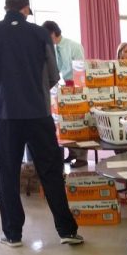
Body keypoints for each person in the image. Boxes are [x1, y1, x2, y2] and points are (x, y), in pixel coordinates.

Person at [0, 0, 84, 248]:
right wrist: (35, 85)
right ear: (26, 9)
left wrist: (4, 81)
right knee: (51, 171)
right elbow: (54, 74)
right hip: (38, 113)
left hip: (6, 115)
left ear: (6, 7)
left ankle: (13, 234)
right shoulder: (40, 33)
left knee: (8, 173)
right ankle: (66, 230)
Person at [43, 20, 86, 167]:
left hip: (75, 86)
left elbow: (81, 69)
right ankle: (71, 152)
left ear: (53, 33)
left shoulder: (73, 46)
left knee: (77, 121)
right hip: (59, 87)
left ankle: (81, 157)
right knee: (63, 122)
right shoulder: (52, 48)